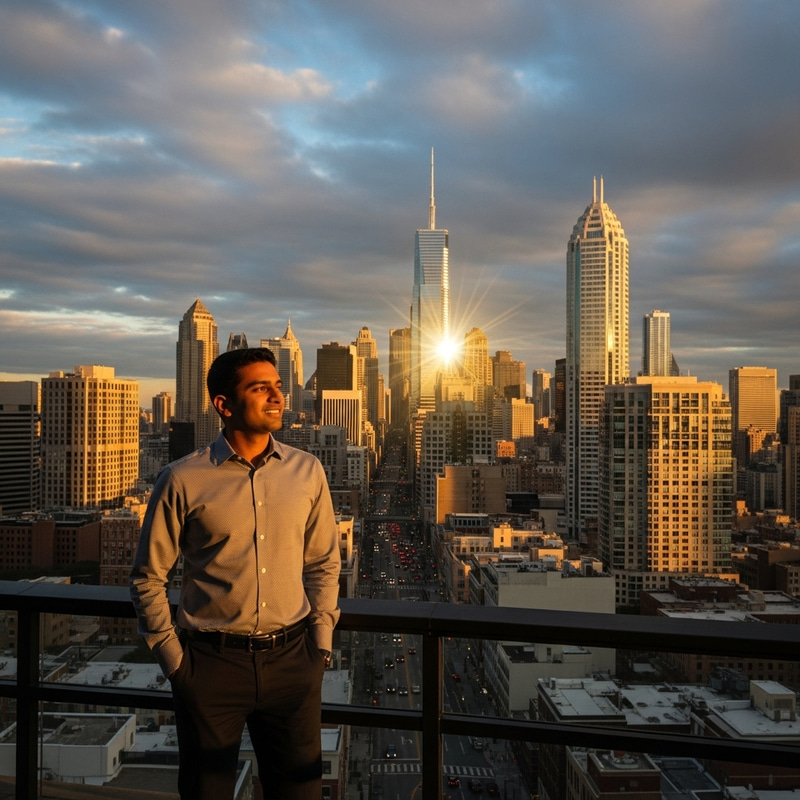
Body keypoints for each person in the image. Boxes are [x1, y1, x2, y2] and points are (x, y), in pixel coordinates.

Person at [130, 347, 341, 799]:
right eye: (260, 388)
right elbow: (148, 576)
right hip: (210, 667)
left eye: (278, 387)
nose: (277, 397)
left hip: (293, 662)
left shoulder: (307, 471)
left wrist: (319, 644)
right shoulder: (183, 478)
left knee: (299, 793)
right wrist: (176, 663)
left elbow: (324, 562)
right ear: (224, 405)